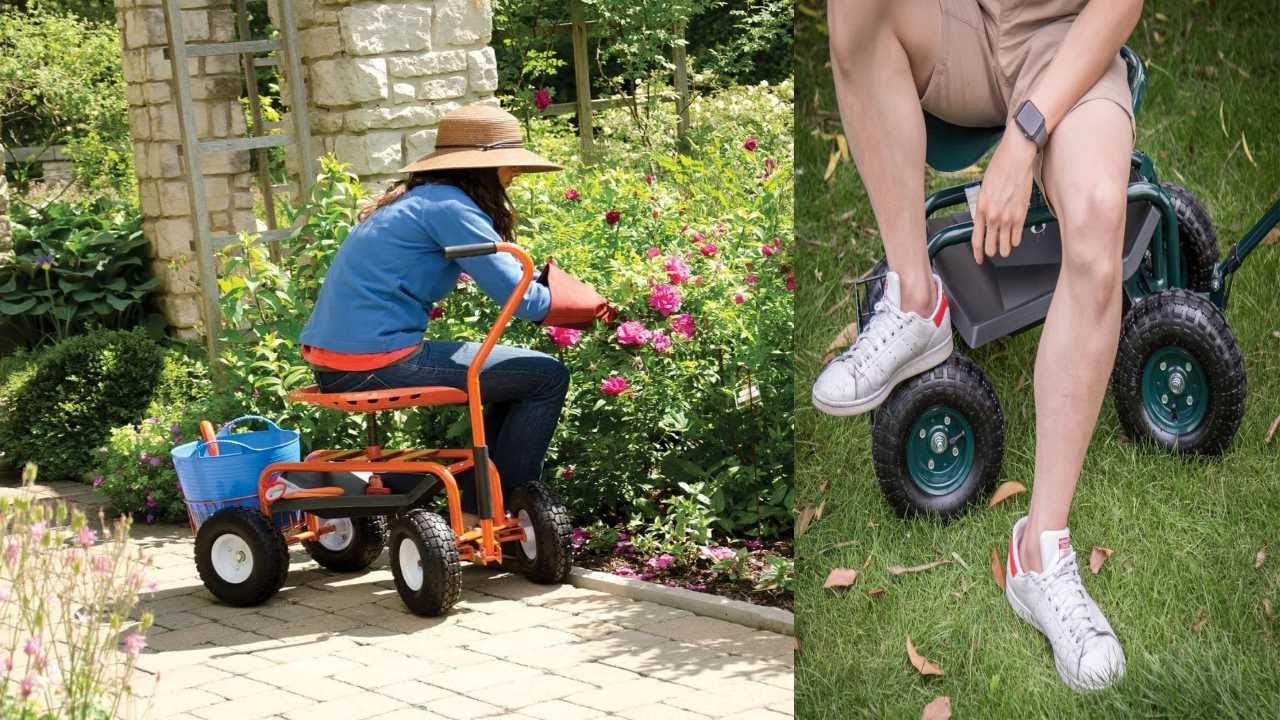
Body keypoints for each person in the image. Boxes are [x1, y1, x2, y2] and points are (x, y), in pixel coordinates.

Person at [814, 0, 1143, 691]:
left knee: (1098, 218)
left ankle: (1039, 553)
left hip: (1064, 41)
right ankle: (916, 297)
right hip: (956, 21)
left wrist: (1026, 135)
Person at [300, 103, 608, 525]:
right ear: (482, 169)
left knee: (513, 377)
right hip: (379, 363)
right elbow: (525, 302)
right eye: (508, 166)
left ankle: (484, 502)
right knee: (545, 376)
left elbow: (504, 275)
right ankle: (508, 513)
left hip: (337, 361)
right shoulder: (450, 208)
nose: (514, 175)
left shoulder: (417, 201)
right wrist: (595, 307)